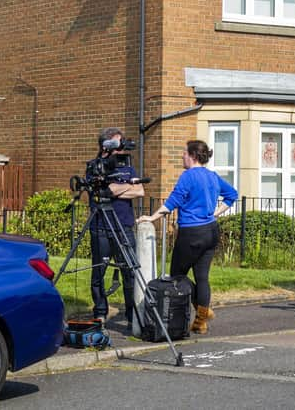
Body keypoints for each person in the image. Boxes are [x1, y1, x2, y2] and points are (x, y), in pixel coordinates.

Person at [137, 140, 238, 334]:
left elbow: (172, 202)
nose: (181, 156)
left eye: (184, 153)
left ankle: (203, 310)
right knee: (202, 277)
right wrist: (216, 213)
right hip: (211, 231)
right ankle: (200, 321)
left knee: (177, 275)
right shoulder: (212, 176)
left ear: (192, 155)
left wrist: (151, 217)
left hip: (192, 233)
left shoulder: (188, 176)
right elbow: (232, 195)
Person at [88, 127, 144, 325]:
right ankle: (100, 312)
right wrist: (125, 187)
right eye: (118, 144)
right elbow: (105, 190)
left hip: (124, 226)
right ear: (107, 145)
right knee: (99, 272)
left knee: (129, 271)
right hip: (101, 226)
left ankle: (131, 315)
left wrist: (117, 190)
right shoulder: (94, 166)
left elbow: (139, 191)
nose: (121, 148)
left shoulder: (128, 167)